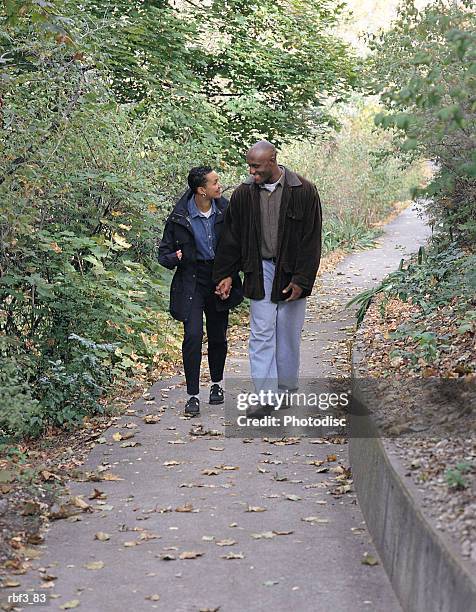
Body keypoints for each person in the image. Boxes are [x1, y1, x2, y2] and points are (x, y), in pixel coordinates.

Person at [213, 140, 322, 416]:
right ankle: (266, 396)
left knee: (287, 333)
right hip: (260, 269)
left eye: (257, 166)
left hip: (292, 270)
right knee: (261, 333)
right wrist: (226, 274)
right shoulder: (243, 195)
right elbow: (231, 238)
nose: (252, 172)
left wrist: (301, 280)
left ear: (273, 161)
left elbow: (312, 241)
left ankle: (285, 390)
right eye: (249, 166)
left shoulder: (304, 191)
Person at [158, 166, 243, 417]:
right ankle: (192, 395)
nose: (220, 186)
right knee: (193, 336)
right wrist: (176, 256)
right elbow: (163, 255)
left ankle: (216, 385)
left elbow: (238, 247)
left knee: (218, 337)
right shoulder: (179, 216)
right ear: (201, 190)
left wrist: (229, 274)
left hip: (219, 279)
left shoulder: (226, 211)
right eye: (215, 182)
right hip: (192, 281)